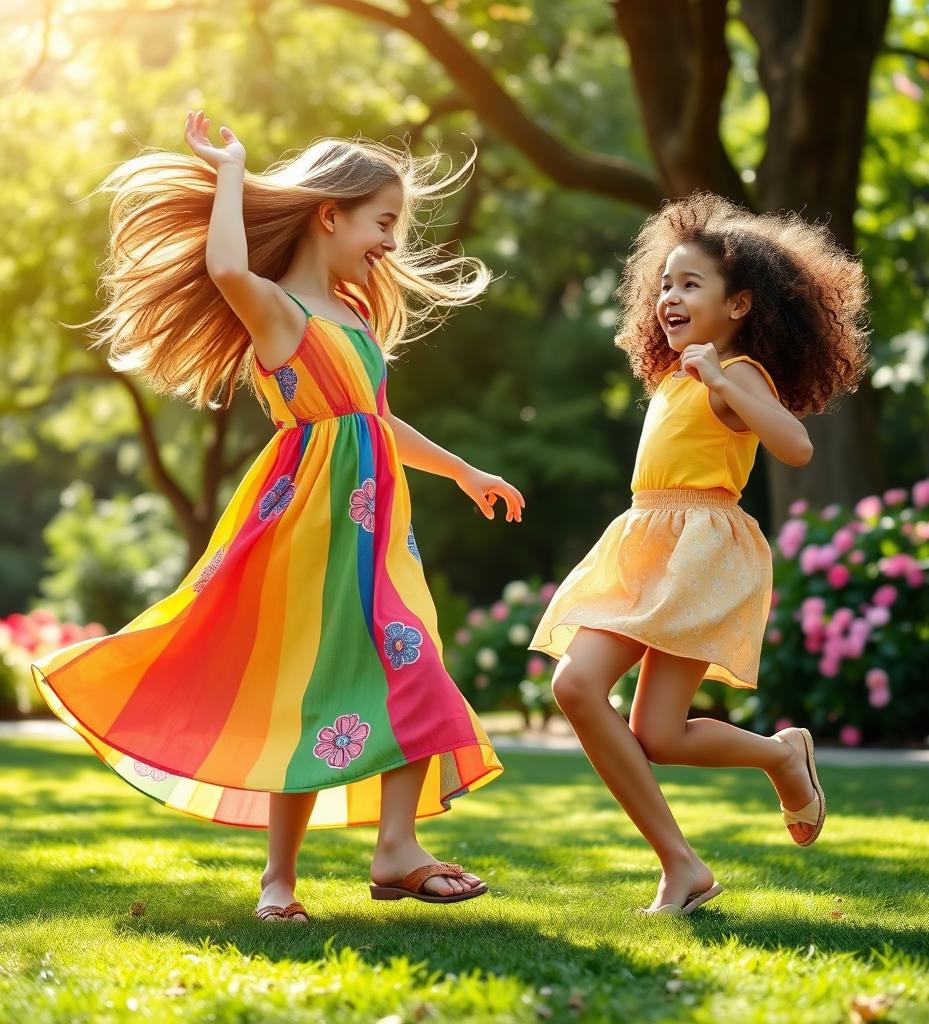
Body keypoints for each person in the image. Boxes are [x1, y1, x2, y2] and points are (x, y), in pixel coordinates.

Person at [32, 111, 525, 923]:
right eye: (384, 223)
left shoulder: (356, 319)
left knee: (417, 670)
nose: (392, 244)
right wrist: (233, 168)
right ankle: (279, 882)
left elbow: (378, 422)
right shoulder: (278, 314)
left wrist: (465, 472)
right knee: (300, 696)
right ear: (329, 214)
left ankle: (395, 850)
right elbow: (225, 264)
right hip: (308, 534)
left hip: (371, 539)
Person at [531, 192, 869, 915]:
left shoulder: (736, 373)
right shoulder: (670, 376)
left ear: (741, 303)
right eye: (665, 283)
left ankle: (756, 785)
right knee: (615, 709)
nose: (669, 296)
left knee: (608, 703)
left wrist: (721, 379)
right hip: (646, 538)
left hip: (702, 551)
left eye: (691, 284)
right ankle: (708, 838)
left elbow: (797, 446)